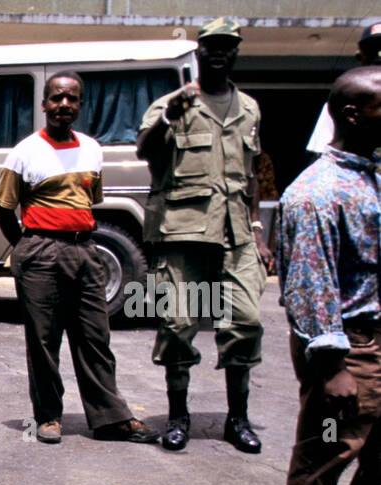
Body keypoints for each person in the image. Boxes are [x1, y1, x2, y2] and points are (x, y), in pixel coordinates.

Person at [0, 71, 157, 446]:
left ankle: (110, 419)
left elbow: (89, 200)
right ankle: (48, 416)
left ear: (80, 105)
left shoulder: (92, 148)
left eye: (71, 99)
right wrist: (25, 247)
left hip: (86, 250)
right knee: (44, 339)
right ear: (44, 104)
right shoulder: (24, 152)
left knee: (95, 336)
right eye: (56, 98)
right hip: (41, 251)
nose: (63, 105)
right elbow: (3, 210)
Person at [137, 16, 273, 453]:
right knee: (177, 326)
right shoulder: (171, 104)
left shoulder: (249, 108)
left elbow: (249, 177)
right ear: (199, 52)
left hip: (236, 235)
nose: (219, 52)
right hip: (183, 235)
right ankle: (178, 418)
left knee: (246, 322)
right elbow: (145, 151)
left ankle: (238, 418)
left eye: (227, 46)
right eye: (211, 45)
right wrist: (167, 121)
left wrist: (259, 231)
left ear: (236, 53)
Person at [280, 67, 381, 485]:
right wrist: (332, 365)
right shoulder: (317, 193)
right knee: (324, 454)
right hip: (348, 349)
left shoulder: (372, 176)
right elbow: (310, 287)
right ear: (351, 113)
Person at [307, 21, 381, 155]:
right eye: (373, 51)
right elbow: (323, 156)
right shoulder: (344, 101)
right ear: (360, 58)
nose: (380, 56)